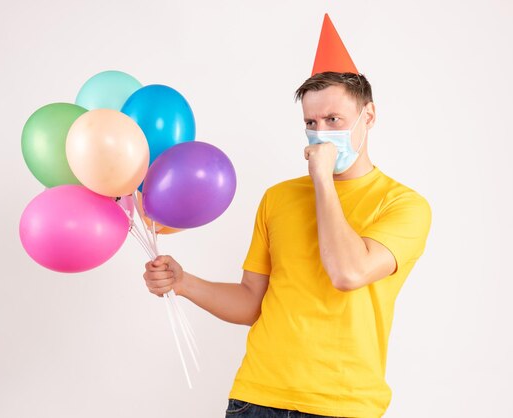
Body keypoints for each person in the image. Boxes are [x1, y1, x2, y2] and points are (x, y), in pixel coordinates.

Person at [143, 13, 432, 418]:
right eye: (311, 123)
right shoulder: (278, 199)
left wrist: (322, 182)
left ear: (368, 117)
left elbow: (348, 273)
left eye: (334, 120)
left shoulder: (404, 205)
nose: (321, 132)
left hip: (344, 406)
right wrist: (183, 281)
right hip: (257, 399)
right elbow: (250, 304)